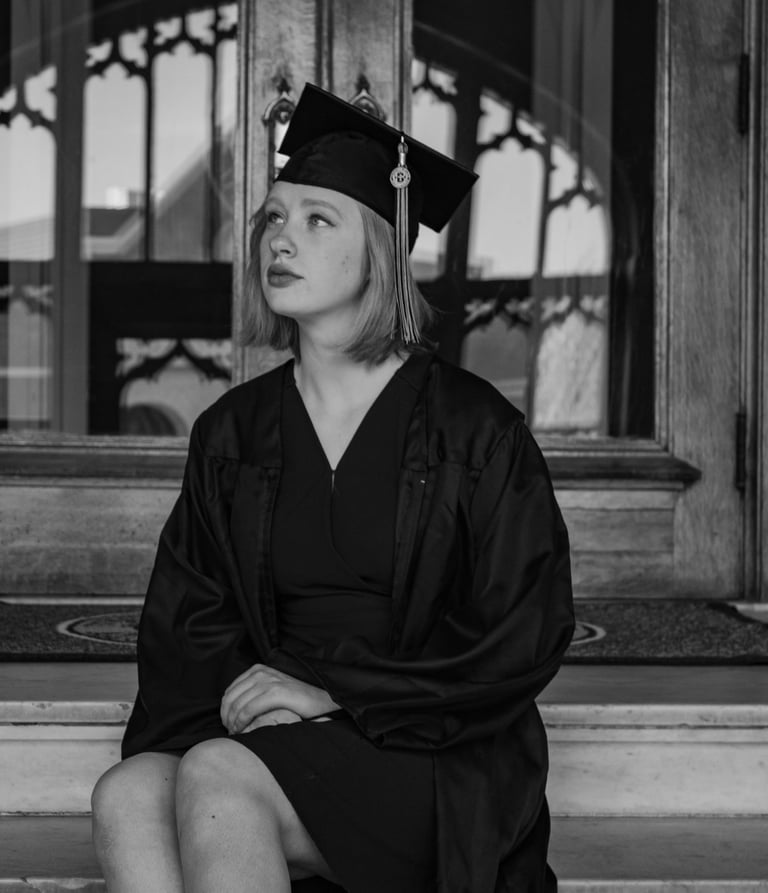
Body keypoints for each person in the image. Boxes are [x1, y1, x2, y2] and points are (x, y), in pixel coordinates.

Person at [91, 83, 574, 893]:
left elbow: (520, 630)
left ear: (381, 248)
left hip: (429, 745)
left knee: (218, 775)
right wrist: (261, 705)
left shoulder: (475, 430)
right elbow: (189, 627)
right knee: (129, 794)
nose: (283, 238)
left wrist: (331, 693)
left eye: (319, 219)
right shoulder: (233, 432)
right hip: (271, 733)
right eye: (274, 218)